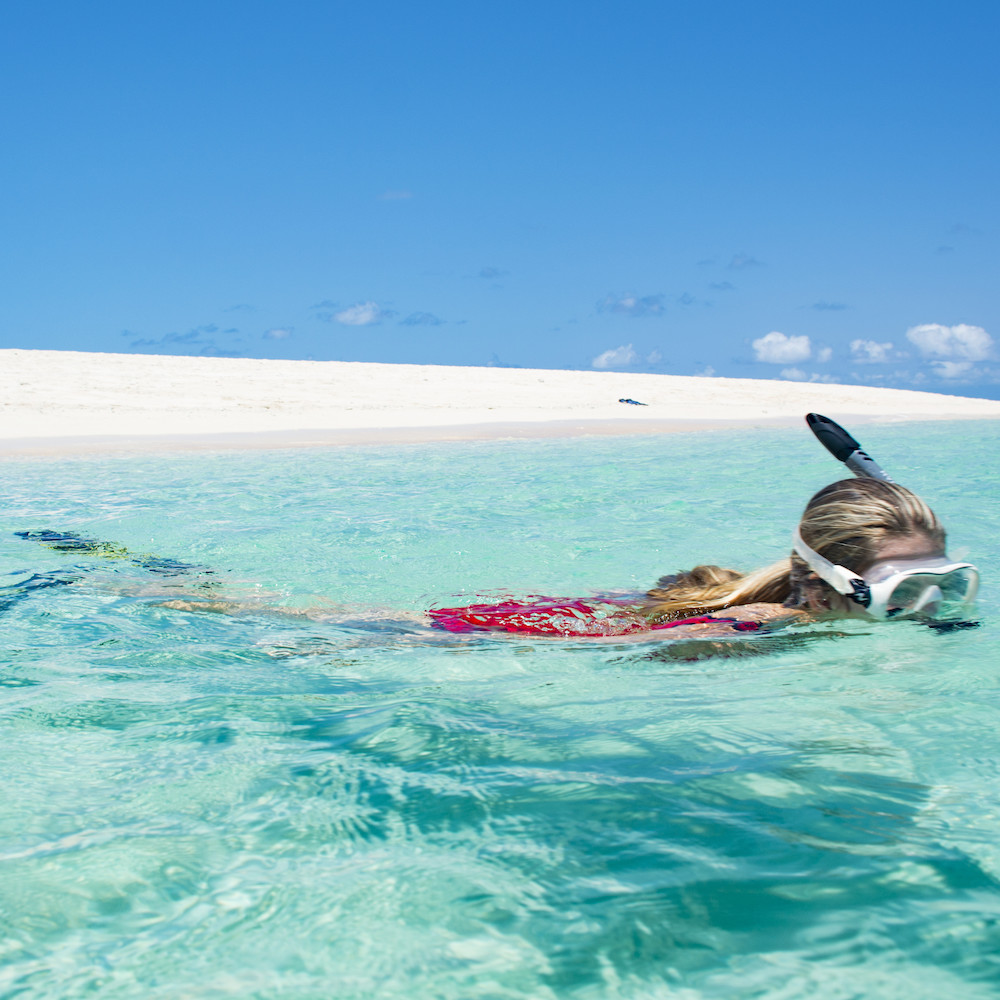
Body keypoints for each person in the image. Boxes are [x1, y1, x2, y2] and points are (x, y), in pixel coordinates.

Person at [429, 478, 979, 639]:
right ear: (819, 584)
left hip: (651, 603)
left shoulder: (813, 609)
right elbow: (613, 651)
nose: (930, 607)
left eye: (947, 584)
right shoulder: (755, 626)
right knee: (382, 627)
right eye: (902, 591)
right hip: (521, 624)